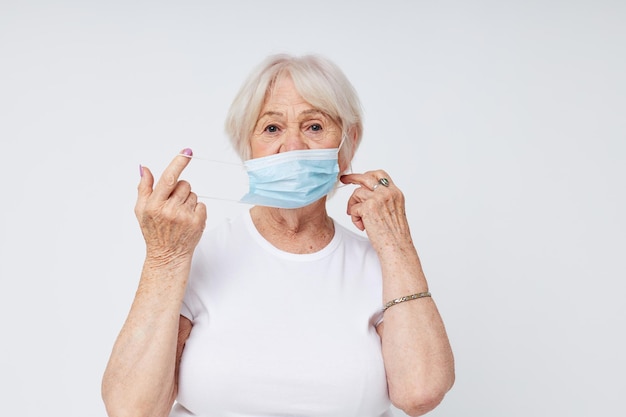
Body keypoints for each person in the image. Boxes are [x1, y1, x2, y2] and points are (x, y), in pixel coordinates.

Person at [102, 54, 455, 417]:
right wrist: (164, 257)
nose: (293, 147)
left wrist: (396, 241)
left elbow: (421, 393)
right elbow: (132, 409)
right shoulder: (196, 256)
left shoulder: (382, 267)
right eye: (272, 129)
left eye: (315, 127)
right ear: (247, 146)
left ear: (347, 144)